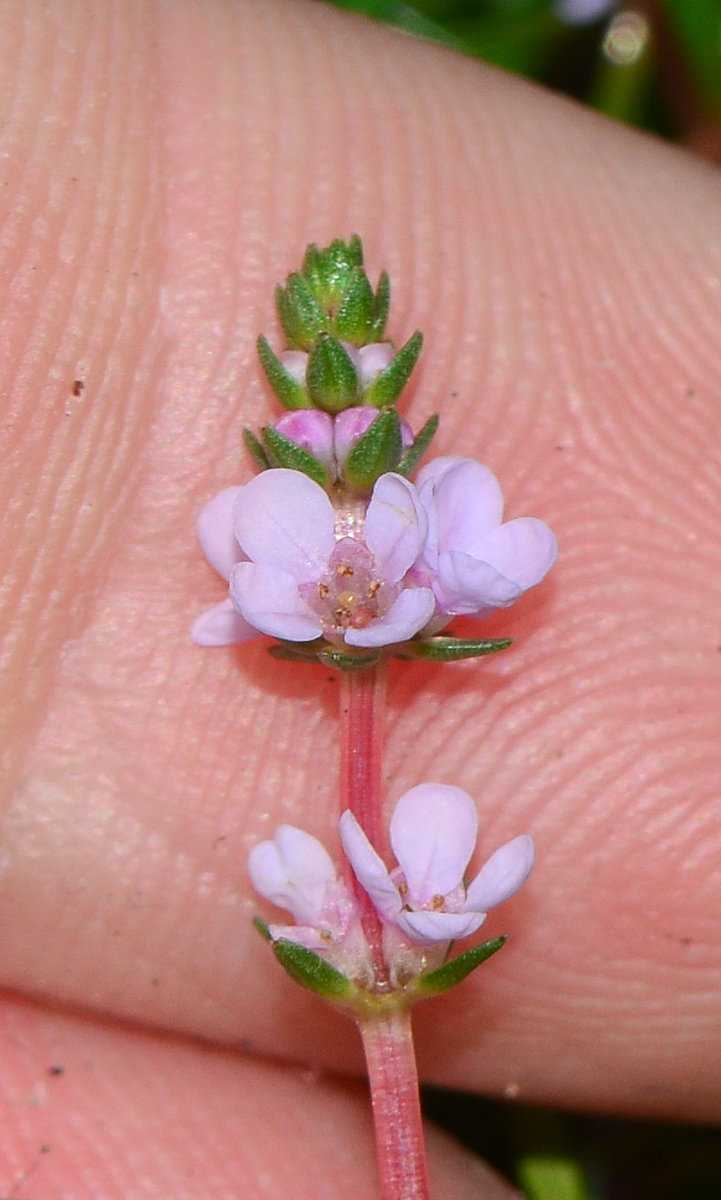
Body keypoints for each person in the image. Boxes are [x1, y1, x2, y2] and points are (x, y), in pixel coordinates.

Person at [0, 1, 719, 1196]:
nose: (350, 591)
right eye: (340, 582)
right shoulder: (324, 570)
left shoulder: (393, 561)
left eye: (362, 578)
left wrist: (397, 585)